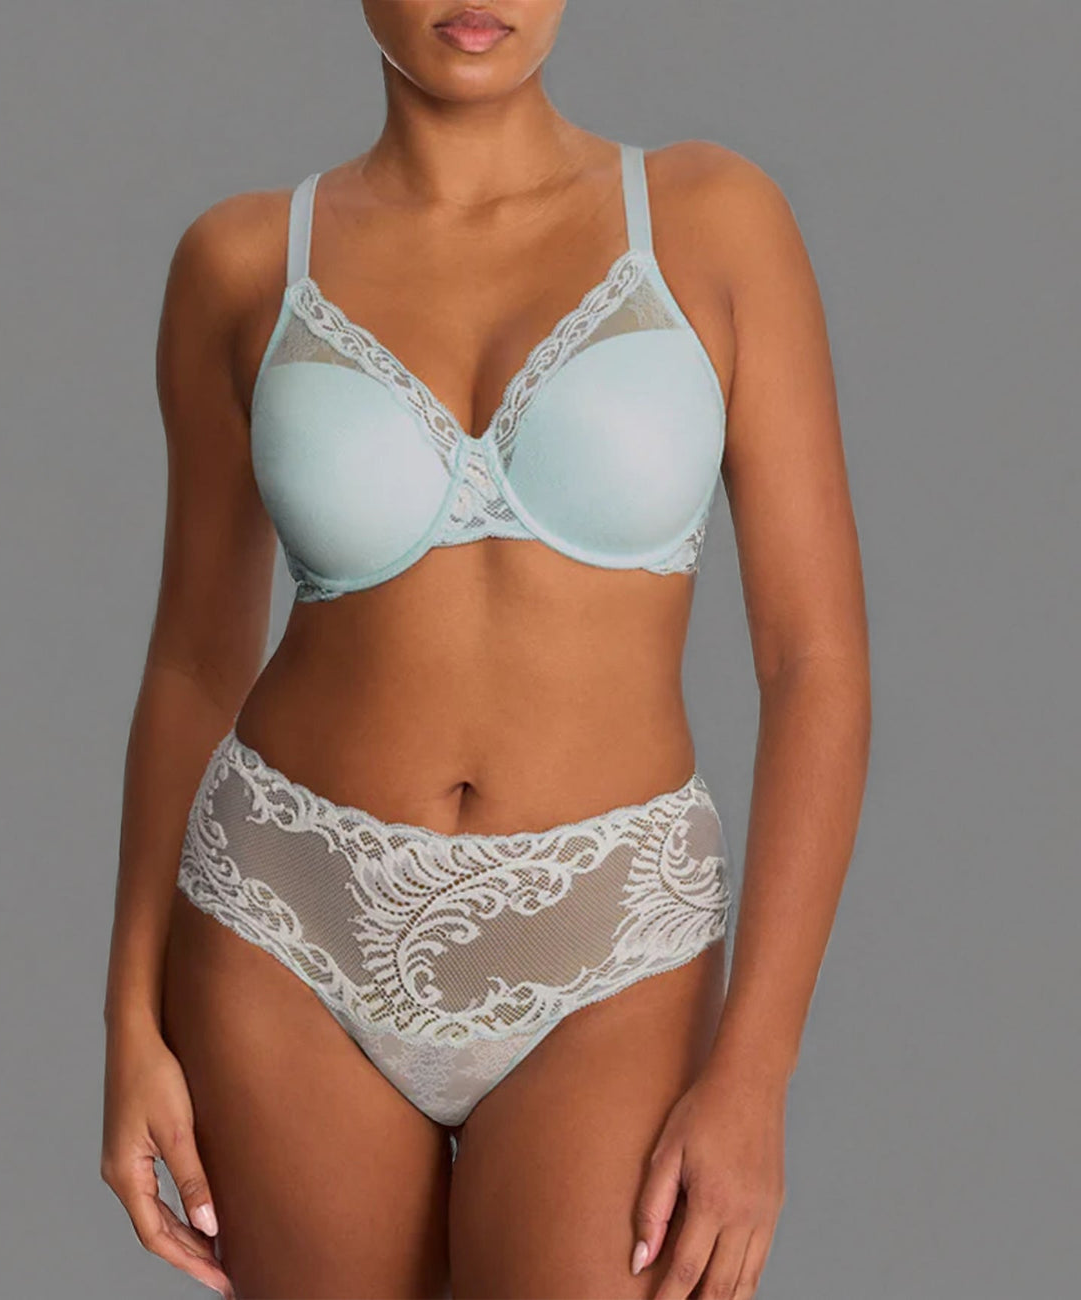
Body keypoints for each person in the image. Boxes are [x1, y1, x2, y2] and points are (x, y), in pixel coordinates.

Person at [100, 3, 871, 1297]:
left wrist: (757, 1068)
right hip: (289, 918)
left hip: (613, 941)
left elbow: (816, 665)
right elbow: (191, 662)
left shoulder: (712, 222)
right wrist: (128, 1013)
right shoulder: (239, 264)